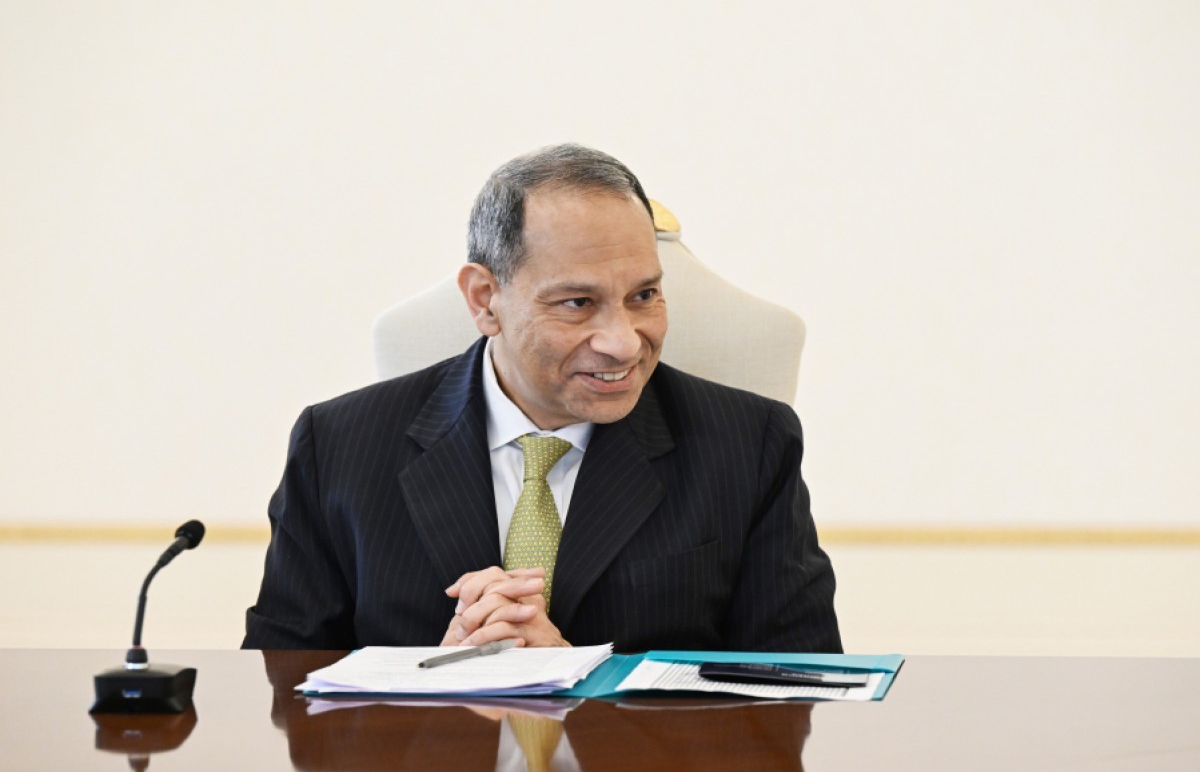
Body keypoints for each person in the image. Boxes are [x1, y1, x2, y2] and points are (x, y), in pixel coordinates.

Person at [242, 144, 841, 653]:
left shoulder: (749, 446)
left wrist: (576, 681)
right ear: (484, 300)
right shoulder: (338, 446)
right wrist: (432, 694)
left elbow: (799, 694)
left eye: (643, 296)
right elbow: (283, 691)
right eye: (578, 303)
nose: (623, 342)